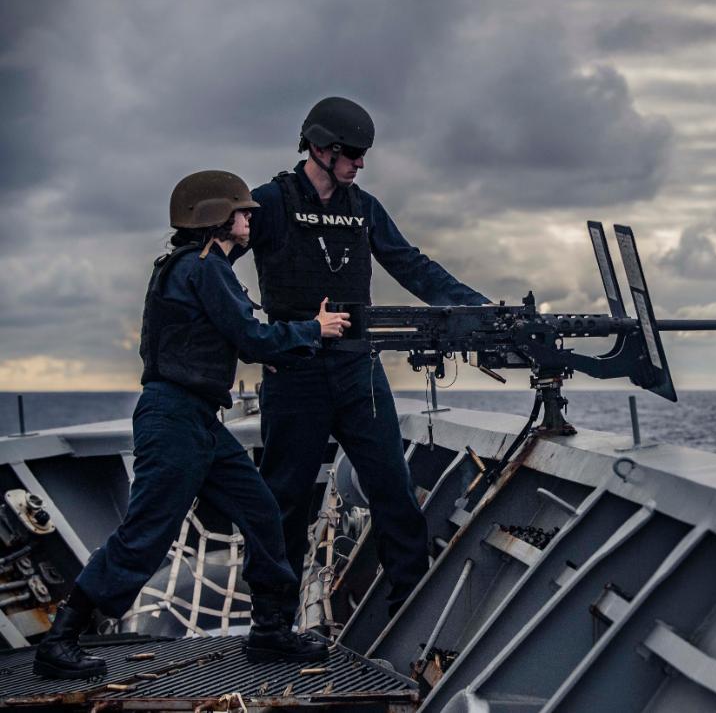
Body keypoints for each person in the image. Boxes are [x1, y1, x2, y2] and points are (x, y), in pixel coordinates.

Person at [33, 171, 349, 679]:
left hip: (199, 419)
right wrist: (316, 327)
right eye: (242, 212)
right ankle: (61, 638)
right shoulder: (204, 268)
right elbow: (250, 337)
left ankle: (269, 630)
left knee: (262, 511)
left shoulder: (193, 267)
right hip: (175, 419)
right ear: (216, 219)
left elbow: (226, 331)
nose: (251, 217)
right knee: (146, 534)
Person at [247, 97, 490, 619]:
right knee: (283, 501)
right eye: (353, 153)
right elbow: (218, 262)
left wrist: (479, 310)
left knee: (393, 489)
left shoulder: (365, 208)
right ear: (319, 148)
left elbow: (412, 266)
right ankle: (273, 624)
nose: (361, 163)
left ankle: (411, 612)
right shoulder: (268, 203)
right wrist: (254, 334)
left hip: (358, 369)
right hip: (294, 372)